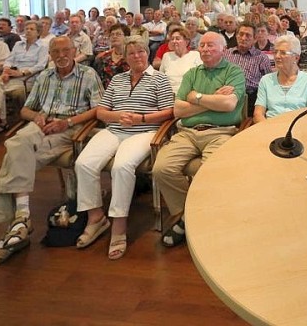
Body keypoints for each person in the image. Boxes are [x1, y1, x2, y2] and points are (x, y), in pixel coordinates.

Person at [0, 36, 103, 270]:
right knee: (16, 144)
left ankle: (19, 220)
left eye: (66, 51)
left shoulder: (87, 75)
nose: (62, 55)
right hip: (40, 126)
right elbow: (25, 109)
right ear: (50, 55)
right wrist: (36, 117)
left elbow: (98, 109)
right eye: (56, 52)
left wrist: (68, 122)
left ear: (75, 51)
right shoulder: (45, 76)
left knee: (14, 153)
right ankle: (21, 220)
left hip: (69, 127)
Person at [74, 36, 175, 260]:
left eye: (140, 51)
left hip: (144, 131)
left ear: (147, 53)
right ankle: (96, 217)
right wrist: (118, 116)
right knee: (83, 163)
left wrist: (141, 118)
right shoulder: (118, 79)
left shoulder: (160, 79)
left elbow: (169, 112)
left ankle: (118, 226)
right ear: (126, 58)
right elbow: (101, 111)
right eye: (131, 53)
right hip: (114, 130)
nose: (136, 56)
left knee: (122, 166)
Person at [152, 32, 245, 249]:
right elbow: (178, 110)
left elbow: (230, 105)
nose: (204, 49)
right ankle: (190, 215)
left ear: (223, 49)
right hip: (187, 133)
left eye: (210, 45)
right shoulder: (192, 74)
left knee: (208, 174)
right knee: (161, 169)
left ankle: (186, 222)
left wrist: (197, 97)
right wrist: (213, 99)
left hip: (221, 132)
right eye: (201, 45)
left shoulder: (234, 72)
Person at [0, 20, 49, 131]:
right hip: (12, 75)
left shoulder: (43, 46)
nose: (28, 31)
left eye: (32, 29)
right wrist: (6, 71)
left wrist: (22, 73)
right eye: (26, 29)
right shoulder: (18, 44)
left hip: (28, 78)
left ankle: (1, 121)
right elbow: (9, 60)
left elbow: (41, 66)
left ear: (38, 32)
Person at [253, 35, 307, 123]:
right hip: (270, 129)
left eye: (283, 53)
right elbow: (258, 114)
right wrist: (268, 130)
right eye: (275, 52)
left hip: (298, 130)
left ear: (296, 57)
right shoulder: (266, 80)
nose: (277, 56)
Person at [223, 22, 273, 116]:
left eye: (248, 35)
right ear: (236, 36)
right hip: (227, 96)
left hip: (251, 98)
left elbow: (268, 83)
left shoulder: (261, 58)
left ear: (254, 39)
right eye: (241, 34)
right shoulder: (226, 54)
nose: (243, 38)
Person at [157, 27, 202, 92]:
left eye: (177, 39)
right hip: (169, 94)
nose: (174, 41)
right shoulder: (166, 56)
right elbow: (161, 79)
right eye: (172, 39)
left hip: (189, 93)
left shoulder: (195, 55)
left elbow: (201, 78)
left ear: (186, 42)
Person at [92, 23, 130, 87]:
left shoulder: (132, 57)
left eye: (118, 34)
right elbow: (97, 79)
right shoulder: (103, 58)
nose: (114, 36)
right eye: (112, 34)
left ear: (126, 37)